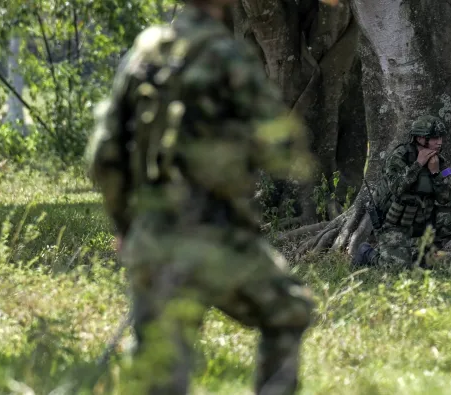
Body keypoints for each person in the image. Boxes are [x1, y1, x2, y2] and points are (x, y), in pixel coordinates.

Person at [84, 0, 315, 393]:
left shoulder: (145, 52)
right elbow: (285, 152)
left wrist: (128, 226)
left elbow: (103, 156)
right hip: (219, 238)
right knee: (289, 311)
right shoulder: (231, 58)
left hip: (151, 237)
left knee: (159, 368)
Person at [352, 114, 451, 270]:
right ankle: (367, 253)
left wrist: (435, 173)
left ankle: (425, 258)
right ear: (420, 138)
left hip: (422, 220)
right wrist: (418, 165)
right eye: (434, 138)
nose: (439, 142)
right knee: (397, 268)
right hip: (395, 224)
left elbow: (447, 198)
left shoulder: (442, 163)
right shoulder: (399, 157)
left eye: (440, 137)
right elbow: (397, 189)